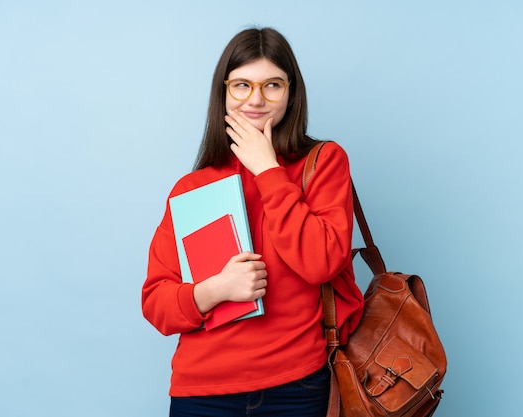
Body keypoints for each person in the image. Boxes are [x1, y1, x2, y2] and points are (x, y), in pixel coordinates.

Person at [142, 27, 364, 417]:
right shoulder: (192, 187)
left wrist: (267, 169)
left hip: (297, 387)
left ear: (291, 92)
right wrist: (214, 290)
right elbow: (157, 304)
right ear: (224, 92)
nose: (256, 99)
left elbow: (322, 263)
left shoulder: (324, 163)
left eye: (272, 85)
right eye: (242, 84)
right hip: (202, 392)